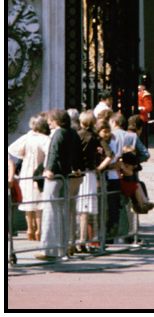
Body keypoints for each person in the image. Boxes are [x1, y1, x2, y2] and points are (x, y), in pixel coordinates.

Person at [36, 108, 83, 260]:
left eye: (50, 120)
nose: (48, 123)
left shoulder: (58, 133)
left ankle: (49, 249)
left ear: (56, 120)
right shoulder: (72, 132)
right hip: (65, 176)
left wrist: (48, 169)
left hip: (55, 176)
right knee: (63, 212)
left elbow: (54, 152)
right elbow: (77, 152)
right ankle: (63, 247)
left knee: (50, 212)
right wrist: (76, 167)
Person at [8, 114, 51, 241]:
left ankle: (29, 229)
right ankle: (38, 229)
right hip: (38, 171)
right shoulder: (45, 139)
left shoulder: (27, 137)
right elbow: (49, 153)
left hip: (26, 171)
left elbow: (13, 148)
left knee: (28, 200)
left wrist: (24, 156)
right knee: (39, 201)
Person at [76, 111, 114, 252]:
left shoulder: (78, 135)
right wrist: (99, 168)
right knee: (87, 210)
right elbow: (110, 154)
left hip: (79, 173)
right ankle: (84, 239)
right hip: (91, 173)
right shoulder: (95, 137)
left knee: (81, 209)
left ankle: (81, 239)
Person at [119, 147, 154, 214]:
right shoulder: (122, 163)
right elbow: (129, 172)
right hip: (124, 182)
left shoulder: (130, 161)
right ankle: (140, 205)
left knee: (139, 184)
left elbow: (137, 168)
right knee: (135, 187)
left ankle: (145, 202)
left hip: (128, 182)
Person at [137, 82, 153, 147]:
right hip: (136, 117)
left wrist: (140, 109)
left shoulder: (145, 94)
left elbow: (149, 107)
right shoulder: (137, 93)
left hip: (142, 117)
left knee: (142, 137)